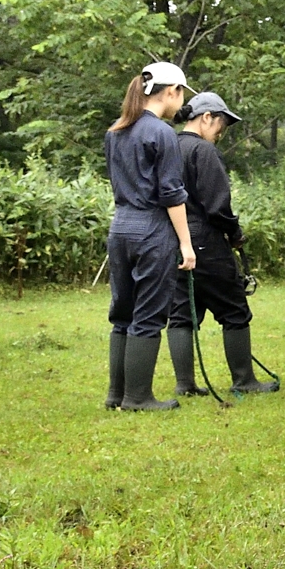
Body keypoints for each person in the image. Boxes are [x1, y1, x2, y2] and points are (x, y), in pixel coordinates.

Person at [166, 91, 278, 396]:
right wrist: (235, 232)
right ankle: (245, 380)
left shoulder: (168, 146)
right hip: (206, 241)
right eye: (221, 126)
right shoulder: (204, 152)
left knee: (181, 314)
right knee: (234, 310)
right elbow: (218, 206)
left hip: (173, 242)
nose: (221, 133)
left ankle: (185, 385)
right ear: (206, 118)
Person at [103, 61, 197, 411]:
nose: (181, 101)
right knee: (148, 315)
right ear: (170, 91)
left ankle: (117, 395)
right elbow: (172, 194)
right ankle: (138, 397)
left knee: (122, 315)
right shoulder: (162, 134)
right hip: (151, 230)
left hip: (120, 228)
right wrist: (186, 245)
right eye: (181, 94)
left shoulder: (115, 131)